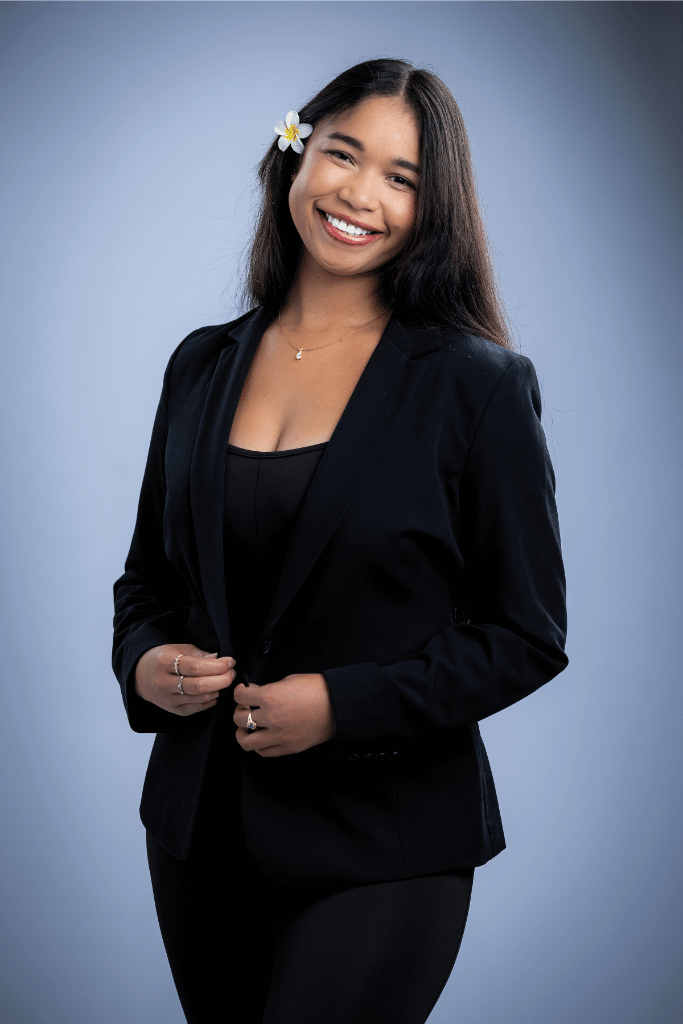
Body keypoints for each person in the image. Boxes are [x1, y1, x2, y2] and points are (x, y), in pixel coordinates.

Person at [112, 57, 568, 1024]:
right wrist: (146, 664)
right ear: (294, 156)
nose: (360, 195)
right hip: (202, 833)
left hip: (385, 841)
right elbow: (147, 581)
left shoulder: (475, 386)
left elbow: (524, 634)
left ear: (430, 206)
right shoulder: (201, 365)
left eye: (401, 178)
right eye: (342, 154)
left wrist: (340, 706)